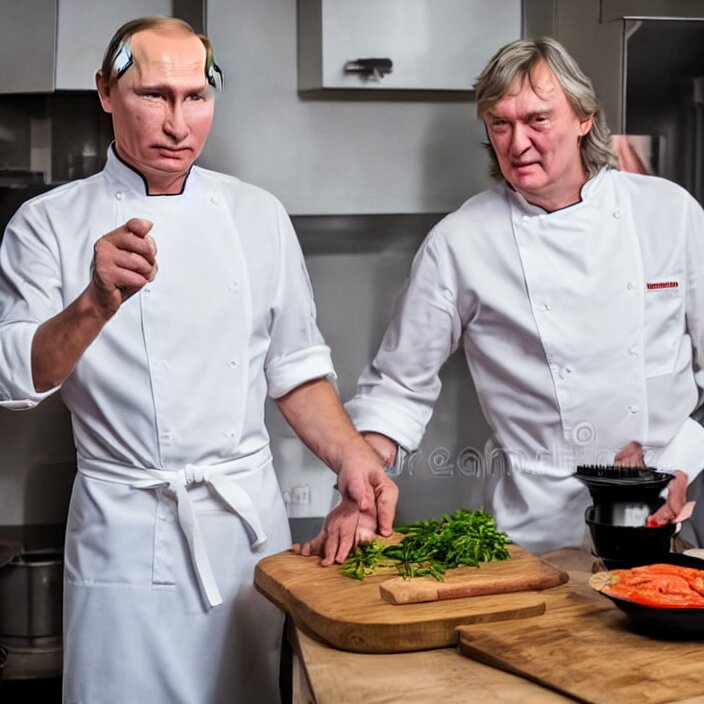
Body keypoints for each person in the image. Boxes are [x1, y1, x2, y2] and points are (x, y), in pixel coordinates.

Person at [0, 16, 397, 704]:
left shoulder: (257, 215)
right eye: (154, 95)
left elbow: (295, 369)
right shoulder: (47, 224)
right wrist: (94, 302)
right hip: (127, 527)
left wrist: (355, 458)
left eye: (195, 97)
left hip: (247, 535)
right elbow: (20, 377)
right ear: (105, 90)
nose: (177, 122)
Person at [336, 36, 704, 555]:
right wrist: (362, 474)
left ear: (583, 118)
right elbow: (398, 386)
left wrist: (680, 463)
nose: (518, 142)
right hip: (533, 525)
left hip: (660, 508)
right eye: (501, 123)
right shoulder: (462, 241)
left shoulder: (669, 213)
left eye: (537, 120)